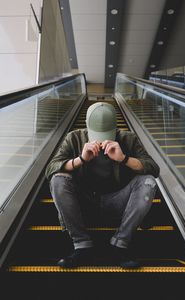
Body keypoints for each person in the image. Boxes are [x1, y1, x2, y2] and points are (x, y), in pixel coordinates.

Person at [45, 102, 160, 268]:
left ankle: (120, 243)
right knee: (58, 179)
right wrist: (81, 160)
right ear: (87, 126)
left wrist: (124, 159)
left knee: (147, 180)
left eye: (107, 133)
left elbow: (153, 168)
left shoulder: (128, 138)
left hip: (117, 201)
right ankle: (81, 244)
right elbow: (50, 169)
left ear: (116, 127)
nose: (102, 139)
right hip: (83, 203)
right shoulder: (74, 137)